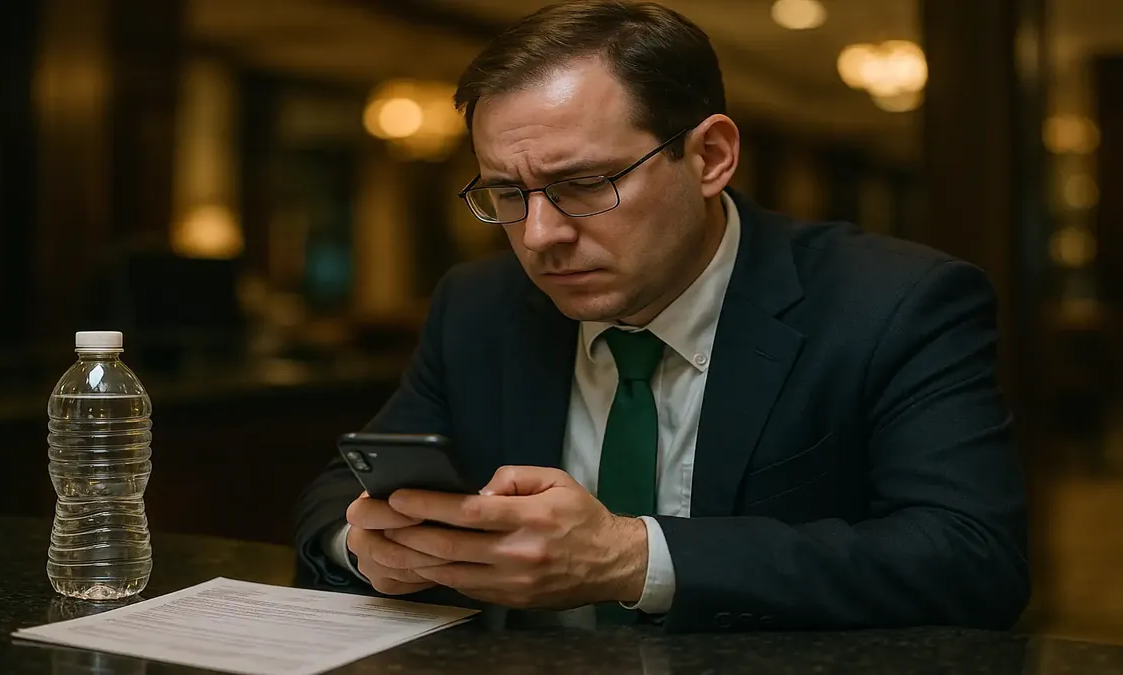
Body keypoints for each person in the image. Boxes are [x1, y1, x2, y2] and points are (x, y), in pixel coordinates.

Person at [293, 0, 1030, 633]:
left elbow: (972, 558)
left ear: (710, 156)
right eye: (508, 195)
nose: (540, 235)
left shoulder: (894, 302)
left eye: (584, 183)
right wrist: (367, 546)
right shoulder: (480, 305)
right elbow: (338, 491)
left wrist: (631, 557)